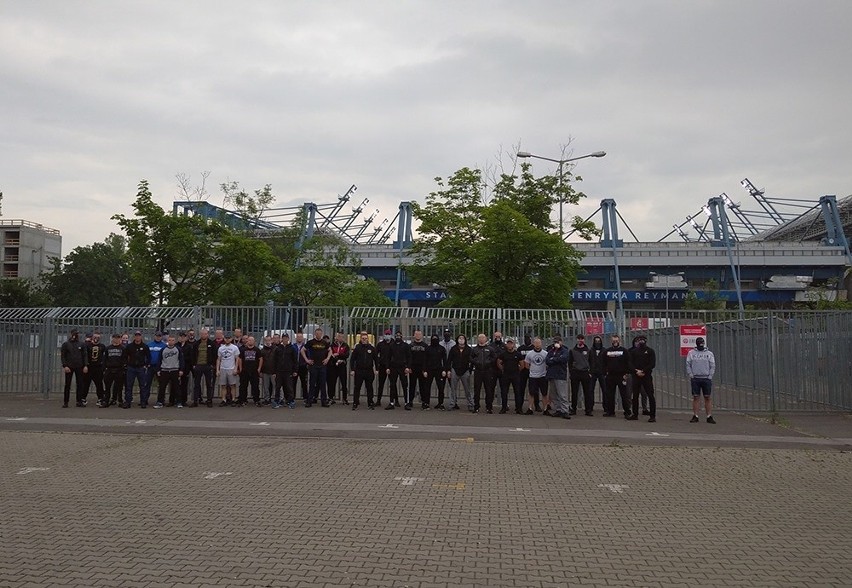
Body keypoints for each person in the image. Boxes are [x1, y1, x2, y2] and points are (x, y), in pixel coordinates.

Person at [627, 335, 657, 423]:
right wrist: (636, 371)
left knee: (650, 395)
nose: (641, 342)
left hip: (646, 376)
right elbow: (630, 363)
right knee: (635, 396)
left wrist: (643, 371)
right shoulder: (634, 352)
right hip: (636, 376)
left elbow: (652, 364)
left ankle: (652, 416)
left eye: (642, 340)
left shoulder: (650, 351)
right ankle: (635, 414)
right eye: (639, 340)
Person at [686, 336, 716, 424]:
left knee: (707, 397)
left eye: (702, 344)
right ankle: (695, 415)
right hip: (695, 378)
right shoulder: (691, 353)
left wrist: (710, 375)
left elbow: (712, 365)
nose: (701, 345)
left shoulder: (709, 353)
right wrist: (691, 375)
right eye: (699, 344)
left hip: (706, 378)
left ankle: (709, 416)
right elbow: (688, 364)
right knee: (696, 397)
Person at [602, 335, 631, 418]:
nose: (615, 342)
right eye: (614, 341)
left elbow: (628, 362)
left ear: (619, 341)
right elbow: (603, 363)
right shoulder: (607, 352)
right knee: (610, 395)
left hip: (621, 376)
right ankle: (610, 412)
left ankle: (627, 412)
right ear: (611, 341)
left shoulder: (624, 351)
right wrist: (605, 373)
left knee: (624, 395)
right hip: (610, 376)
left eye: (616, 340)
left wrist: (626, 373)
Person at [302, 328, 331, 407]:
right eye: (317, 334)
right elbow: (302, 350)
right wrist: (307, 360)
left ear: (321, 334)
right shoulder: (310, 342)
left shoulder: (324, 342)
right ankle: (309, 401)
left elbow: (330, 350)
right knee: (312, 384)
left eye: (320, 334)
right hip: (313, 366)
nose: (318, 335)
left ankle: (324, 401)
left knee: (322, 384)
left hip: (322, 366)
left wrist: (327, 359)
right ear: (315, 334)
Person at [349, 331, 378, 410]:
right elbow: (352, 360)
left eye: (365, 338)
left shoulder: (371, 348)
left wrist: (377, 369)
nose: (364, 340)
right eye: (363, 338)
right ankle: (355, 403)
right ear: (361, 339)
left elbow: (376, 359)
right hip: (359, 370)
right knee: (357, 387)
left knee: (369, 387)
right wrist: (352, 370)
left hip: (369, 371)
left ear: (368, 339)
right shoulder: (357, 348)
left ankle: (370, 403)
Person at [470, 333, 498, 413]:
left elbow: (494, 357)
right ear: (478, 339)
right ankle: (476, 406)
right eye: (480, 338)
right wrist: (476, 362)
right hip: (478, 371)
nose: (481, 339)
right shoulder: (475, 349)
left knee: (488, 389)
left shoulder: (490, 349)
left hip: (488, 371)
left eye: (483, 337)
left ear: (486, 339)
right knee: (477, 389)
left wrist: (489, 362)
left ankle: (489, 407)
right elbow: (471, 358)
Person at [60, 329, 88, 408]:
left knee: (80, 384)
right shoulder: (66, 344)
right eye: (74, 334)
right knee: (67, 385)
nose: (75, 336)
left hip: (79, 366)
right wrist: (65, 366)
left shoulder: (81, 344)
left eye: (76, 334)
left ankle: (79, 401)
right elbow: (63, 356)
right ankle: (66, 402)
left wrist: (85, 365)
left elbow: (85, 355)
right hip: (69, 366)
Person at [123, 331, 151, 408]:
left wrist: (146, 365)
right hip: (131, 368)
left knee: (142, 386)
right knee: (129, 386)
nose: (137, 337)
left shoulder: (145, 346)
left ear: (141, 337)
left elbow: (149, 357)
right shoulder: (129, 346)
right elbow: (125, 356)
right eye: (136, 335)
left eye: (139, 335)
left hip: (141, 368)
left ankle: (143, 402)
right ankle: (128, 402)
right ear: (134, 337)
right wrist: (126, 364)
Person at [154, 335, 184, 408]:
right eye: (170, 340)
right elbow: (159, 360)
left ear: (175, 341)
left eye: (173, 340)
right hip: (165, 370)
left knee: (176, 387)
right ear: (167, 341)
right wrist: (158, 370)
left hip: (175, 370)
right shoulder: (163, 349)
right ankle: (160, 402)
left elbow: (181, 360)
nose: (171, 341)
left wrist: (181, 370)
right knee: (162, 387)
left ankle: (179, 402)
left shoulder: (178, 349)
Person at [545, 335, 571, 419]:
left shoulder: (565, 350)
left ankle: (565, 410)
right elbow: (547, 360)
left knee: (562, 394)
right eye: (555, 342)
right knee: (554, 394)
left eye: (557, 342)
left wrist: (554, 359)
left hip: (560, 375)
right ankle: (558, 409)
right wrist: (555, 359)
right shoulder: (551, 351)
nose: (556, 343)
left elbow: (563, 359)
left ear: (561, 342)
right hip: (552, 375)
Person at [568, 334, 593, 416]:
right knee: (574, 392)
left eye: (582, 339)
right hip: (576, 372)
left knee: (587, 392)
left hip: (585, 372)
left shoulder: (588, 350)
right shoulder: (572, 350)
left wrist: (590, 372)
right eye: (579, 339)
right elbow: (570, 363)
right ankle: (573, 409)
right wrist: (571, 373)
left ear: (584, 340)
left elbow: (591, 362)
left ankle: (588, 410)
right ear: (576, 340)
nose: (580, 340)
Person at [445, 334, 472, 410]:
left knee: (467, 389)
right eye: (459, 338)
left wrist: (469, 370)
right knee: (453, 389)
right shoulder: (453, 349)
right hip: (454, 370)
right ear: (457, 340)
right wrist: (449, 370)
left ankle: (470, 404)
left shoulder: (469, 349)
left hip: (465, 371)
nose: (461, 340)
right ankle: (452, 404)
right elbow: (449, 360)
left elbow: (472, 360)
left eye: (462, 338)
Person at [497, 338, 524, 414]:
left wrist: (518, 370)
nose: (509, 345)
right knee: (504, 392)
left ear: (513, 344)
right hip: (506, 375)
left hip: (515, 375)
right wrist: (502, 369)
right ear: (506, 345)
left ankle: (518, 408)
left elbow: (522, 364)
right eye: (508, 344)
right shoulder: (503, 354)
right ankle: (504, 408)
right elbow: (499, 362)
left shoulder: (517, 354)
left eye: (511, 343)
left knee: (517, 392)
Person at [192, 328, 218, 407]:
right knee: (196, 384)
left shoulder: (212, 343)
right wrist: (194, 364)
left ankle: (209, 400)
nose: (204, 335)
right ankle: (195, 401)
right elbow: (193, 355)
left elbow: (215, 355)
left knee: (209, 384)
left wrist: (212, 365)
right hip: (198, 366)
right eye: (202, 334)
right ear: (200, 334)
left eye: (205, 334)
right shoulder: (196, 343)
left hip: (207, 366)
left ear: (208, 334)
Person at [385, 331, 410, 410]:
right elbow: (388, 357)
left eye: (399, 335)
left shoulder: (406, 346)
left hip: (403, 367)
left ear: (402, 336)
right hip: (393, 367)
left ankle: (407, 403)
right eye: (397, 335)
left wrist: (408, 367)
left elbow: (409, 357)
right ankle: (391, 403)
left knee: (405, 385)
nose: (398, 337)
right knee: (392, 385)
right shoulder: (392, 346)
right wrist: (387, 367)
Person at [273, 333, 299, 408]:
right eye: (283, 338)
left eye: (286, 338)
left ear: (288, 339)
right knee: (278, 387)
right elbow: (275, 360)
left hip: (288, 371)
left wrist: (295, 371)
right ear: (282, 339)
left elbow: (295, 361)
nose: (285, 339)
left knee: (289, 387)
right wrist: (274, 372)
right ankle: (276, 401)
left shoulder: (292, 348)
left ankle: (290, 401)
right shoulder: (278, 349)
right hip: (279, 371)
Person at [524, 338, 548, 415]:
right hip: (533, 376)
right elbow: (526, 364)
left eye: (539, 343)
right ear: (533, 344)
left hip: (542, 376)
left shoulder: (545, 353)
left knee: (544, 393)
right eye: (536, 343)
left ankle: (545, 409)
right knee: (531, 393)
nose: (537, 345)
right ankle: (530, 408)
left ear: (541, 344)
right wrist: (533, 370)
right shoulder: (530, 354)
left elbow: (547, 364)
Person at [424, 334, 448, 410]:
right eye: (433, 339)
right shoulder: (428, 348)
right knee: (427, 388)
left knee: (441, 388)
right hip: (429, 370)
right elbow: (424, 360)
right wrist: (424, 370)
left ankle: (441, 403)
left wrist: (444, 370)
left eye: (436, 339)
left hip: (439, 370)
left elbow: (445, 360)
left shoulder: (442, 349)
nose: (434, 340)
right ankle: (426, 403)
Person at [406, 330, 428, 410]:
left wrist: (425, 369)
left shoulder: (425, 346)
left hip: (422, 368)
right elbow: (408, 357)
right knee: (412, 385)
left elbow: (426, 359)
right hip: (413, 368)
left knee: (423, 386)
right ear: (414, 335)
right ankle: (410, 401)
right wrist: (409, 367)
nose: (418, 335)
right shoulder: (410, 345)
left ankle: (424, 402)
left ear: (422, 335)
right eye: (416, 334)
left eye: (419, 334)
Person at [216, 333, 240, 406]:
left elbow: (237, 359)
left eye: (229, 338)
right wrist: (217, 369)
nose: (227, 339)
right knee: (223, 386)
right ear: (224, 339)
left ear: (231, 339)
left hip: (231, 368)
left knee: (233, 385)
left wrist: (236, 368)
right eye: (226, 338)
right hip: (223, 368)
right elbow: (218, 359)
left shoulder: (234, 348)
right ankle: (224, 399)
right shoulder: (221, 348)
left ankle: (233, 399)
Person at [103, 333, 126, 407]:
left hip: (119, 369)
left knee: (119, 387)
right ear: (112, 339)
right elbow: (105, 359)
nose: (116, 339)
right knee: (107, 387)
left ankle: (120, 401)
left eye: (118, 338)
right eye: (115, 338)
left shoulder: (123, 348)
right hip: (109, 369)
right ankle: (106, 401)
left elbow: (125, 359)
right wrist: (104, 368)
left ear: (120, 339)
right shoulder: (108, 348)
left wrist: (123, 368)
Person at [327, 332, 351, 405]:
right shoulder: (331, 345)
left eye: (342, 337)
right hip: (333, 366)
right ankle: (331, 398)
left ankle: (344, 398)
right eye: (339, 336)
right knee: (332, 383)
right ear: (336, 337)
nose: (340, 338)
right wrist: (335, 358)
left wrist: (339, 354)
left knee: (344, 382)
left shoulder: (346, 346)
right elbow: (330, 355)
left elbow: (346, 355)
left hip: (342, 366)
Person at [238, 336, 262, 406]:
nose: (250, 342)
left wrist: (259, 368)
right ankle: (243, 400)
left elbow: (261, 359)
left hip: (254, 371)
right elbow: (240, 359)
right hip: (245, 371)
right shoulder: (243, 350)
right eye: (249, 340)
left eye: (252, 340)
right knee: (243, 386)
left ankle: (256, 400)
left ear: (254, 342)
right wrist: (240, 368)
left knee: (255, 386)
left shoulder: (257, 350)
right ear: (247, 341)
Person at [84, 332, 106, 407]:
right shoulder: (87, 346)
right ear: (92, 337)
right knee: (86, 383)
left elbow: (105, 357)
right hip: (90, 367)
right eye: (95, 337)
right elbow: (85, 356)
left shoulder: (102, 346)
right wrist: (85, 365)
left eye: (98, 337)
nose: (96, 339)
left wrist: (103, 367)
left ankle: (100, 398)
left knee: (99, 384)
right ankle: (83, 398)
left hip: (98, 368)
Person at [588, 335, 607, 412]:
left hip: (602, 372)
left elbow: (607, 362)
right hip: (593, 372)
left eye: (599, 341)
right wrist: (589, 371)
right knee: (590, 390)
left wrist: (606, 371)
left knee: (605, 390)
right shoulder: (591, 351)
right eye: (596, 341)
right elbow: (588, 361)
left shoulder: (604, 350)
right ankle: (590, 407)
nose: (597, 343)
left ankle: (606, 407)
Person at [375, 329, 393, 408]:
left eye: (388, 334)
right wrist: (378, 364)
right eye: (386, 334)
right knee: (381, 384)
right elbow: (376, 354)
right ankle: (378, 400)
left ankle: (394, 401)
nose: (387, 335)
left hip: (391, 366)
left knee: (393, 384)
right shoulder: (380, 344)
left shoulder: (394, 343)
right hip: (382, 366)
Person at [517, 334, 534, 411]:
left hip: (533, 371)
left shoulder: (533, 348)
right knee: (521, 389)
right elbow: (517, 359)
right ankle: (519, 406)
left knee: (533, 389)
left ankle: (536, 405)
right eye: (525, 338)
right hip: (522, 371)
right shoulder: (520, 348)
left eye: (528, 338)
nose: (527, 340)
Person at [259, 336, 277, 405]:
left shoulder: (275, 349)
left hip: (273, 371)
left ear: (271, 340)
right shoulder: (262, 350)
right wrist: (260, 371)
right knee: (265, 387)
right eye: (266, 340)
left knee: (275, 386)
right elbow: (260, 361)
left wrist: (276, 371)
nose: (268, 342)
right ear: (264, 341)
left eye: (269, 340)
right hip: (265, 371)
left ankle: (277, 398)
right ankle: (267, 399)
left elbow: (277, 361)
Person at [292, 332, 309, 401]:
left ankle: (305, 398)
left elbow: (308, 356)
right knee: (293, 383)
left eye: (300, 337)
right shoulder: (293, 346)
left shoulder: (305, 347)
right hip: (294, 367)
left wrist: (307, 363)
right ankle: (292, 398)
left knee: (304, 383)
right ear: (296, 338)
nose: (299, 338)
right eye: (298, 337)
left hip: (303, 366)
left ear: (303, 338)